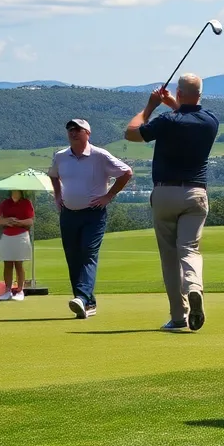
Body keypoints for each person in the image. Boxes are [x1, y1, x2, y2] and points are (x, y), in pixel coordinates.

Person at [125, 73, 220, 332]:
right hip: (195, 193)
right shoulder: (210, 121)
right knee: (189, 249)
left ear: (178, 93)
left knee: (169, 257)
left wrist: (150, 106)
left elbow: (131, 133)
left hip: (165, 193)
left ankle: (178, 316)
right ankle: (194, 286)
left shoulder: (167, 121)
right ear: (200, 95)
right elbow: (188, 117)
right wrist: (173, 104)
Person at [49, 119, 134, 319]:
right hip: (68, 213)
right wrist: (58, 196)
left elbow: (126, 172)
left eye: (77, 130)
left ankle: (81, 297)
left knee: (88, 253)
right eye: (70, 130)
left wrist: (108, 196)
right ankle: (87, 303)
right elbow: (53, 175)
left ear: (87, 133)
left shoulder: (100, 155)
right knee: (73, 257)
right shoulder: (61, 156)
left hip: (93, 214)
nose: (73, 132)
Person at [0, 189, 34, 302]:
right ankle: (7, 291)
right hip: (7, 235)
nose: (15, 192)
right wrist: (7, 220)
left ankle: (20, 290)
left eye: (17, 191)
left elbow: (30, 221)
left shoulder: (26, 203)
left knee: (18, 263)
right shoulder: (5, 203)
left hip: (21, 235)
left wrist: (18, 222)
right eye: (13, 190)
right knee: (7, 263)